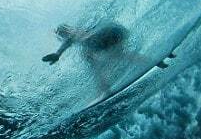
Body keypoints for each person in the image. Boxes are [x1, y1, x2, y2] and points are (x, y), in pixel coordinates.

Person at [42, 20, 175, 96]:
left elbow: (71, 38)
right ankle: (158, 61)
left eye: (63, 33)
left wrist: (58, 53)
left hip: (109, 34)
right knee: (118, 56)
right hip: (116, 31)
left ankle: (106, 90)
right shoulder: (85, 36)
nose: (64, 36)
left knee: (107, 57)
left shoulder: (79, 35)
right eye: (62, 34)